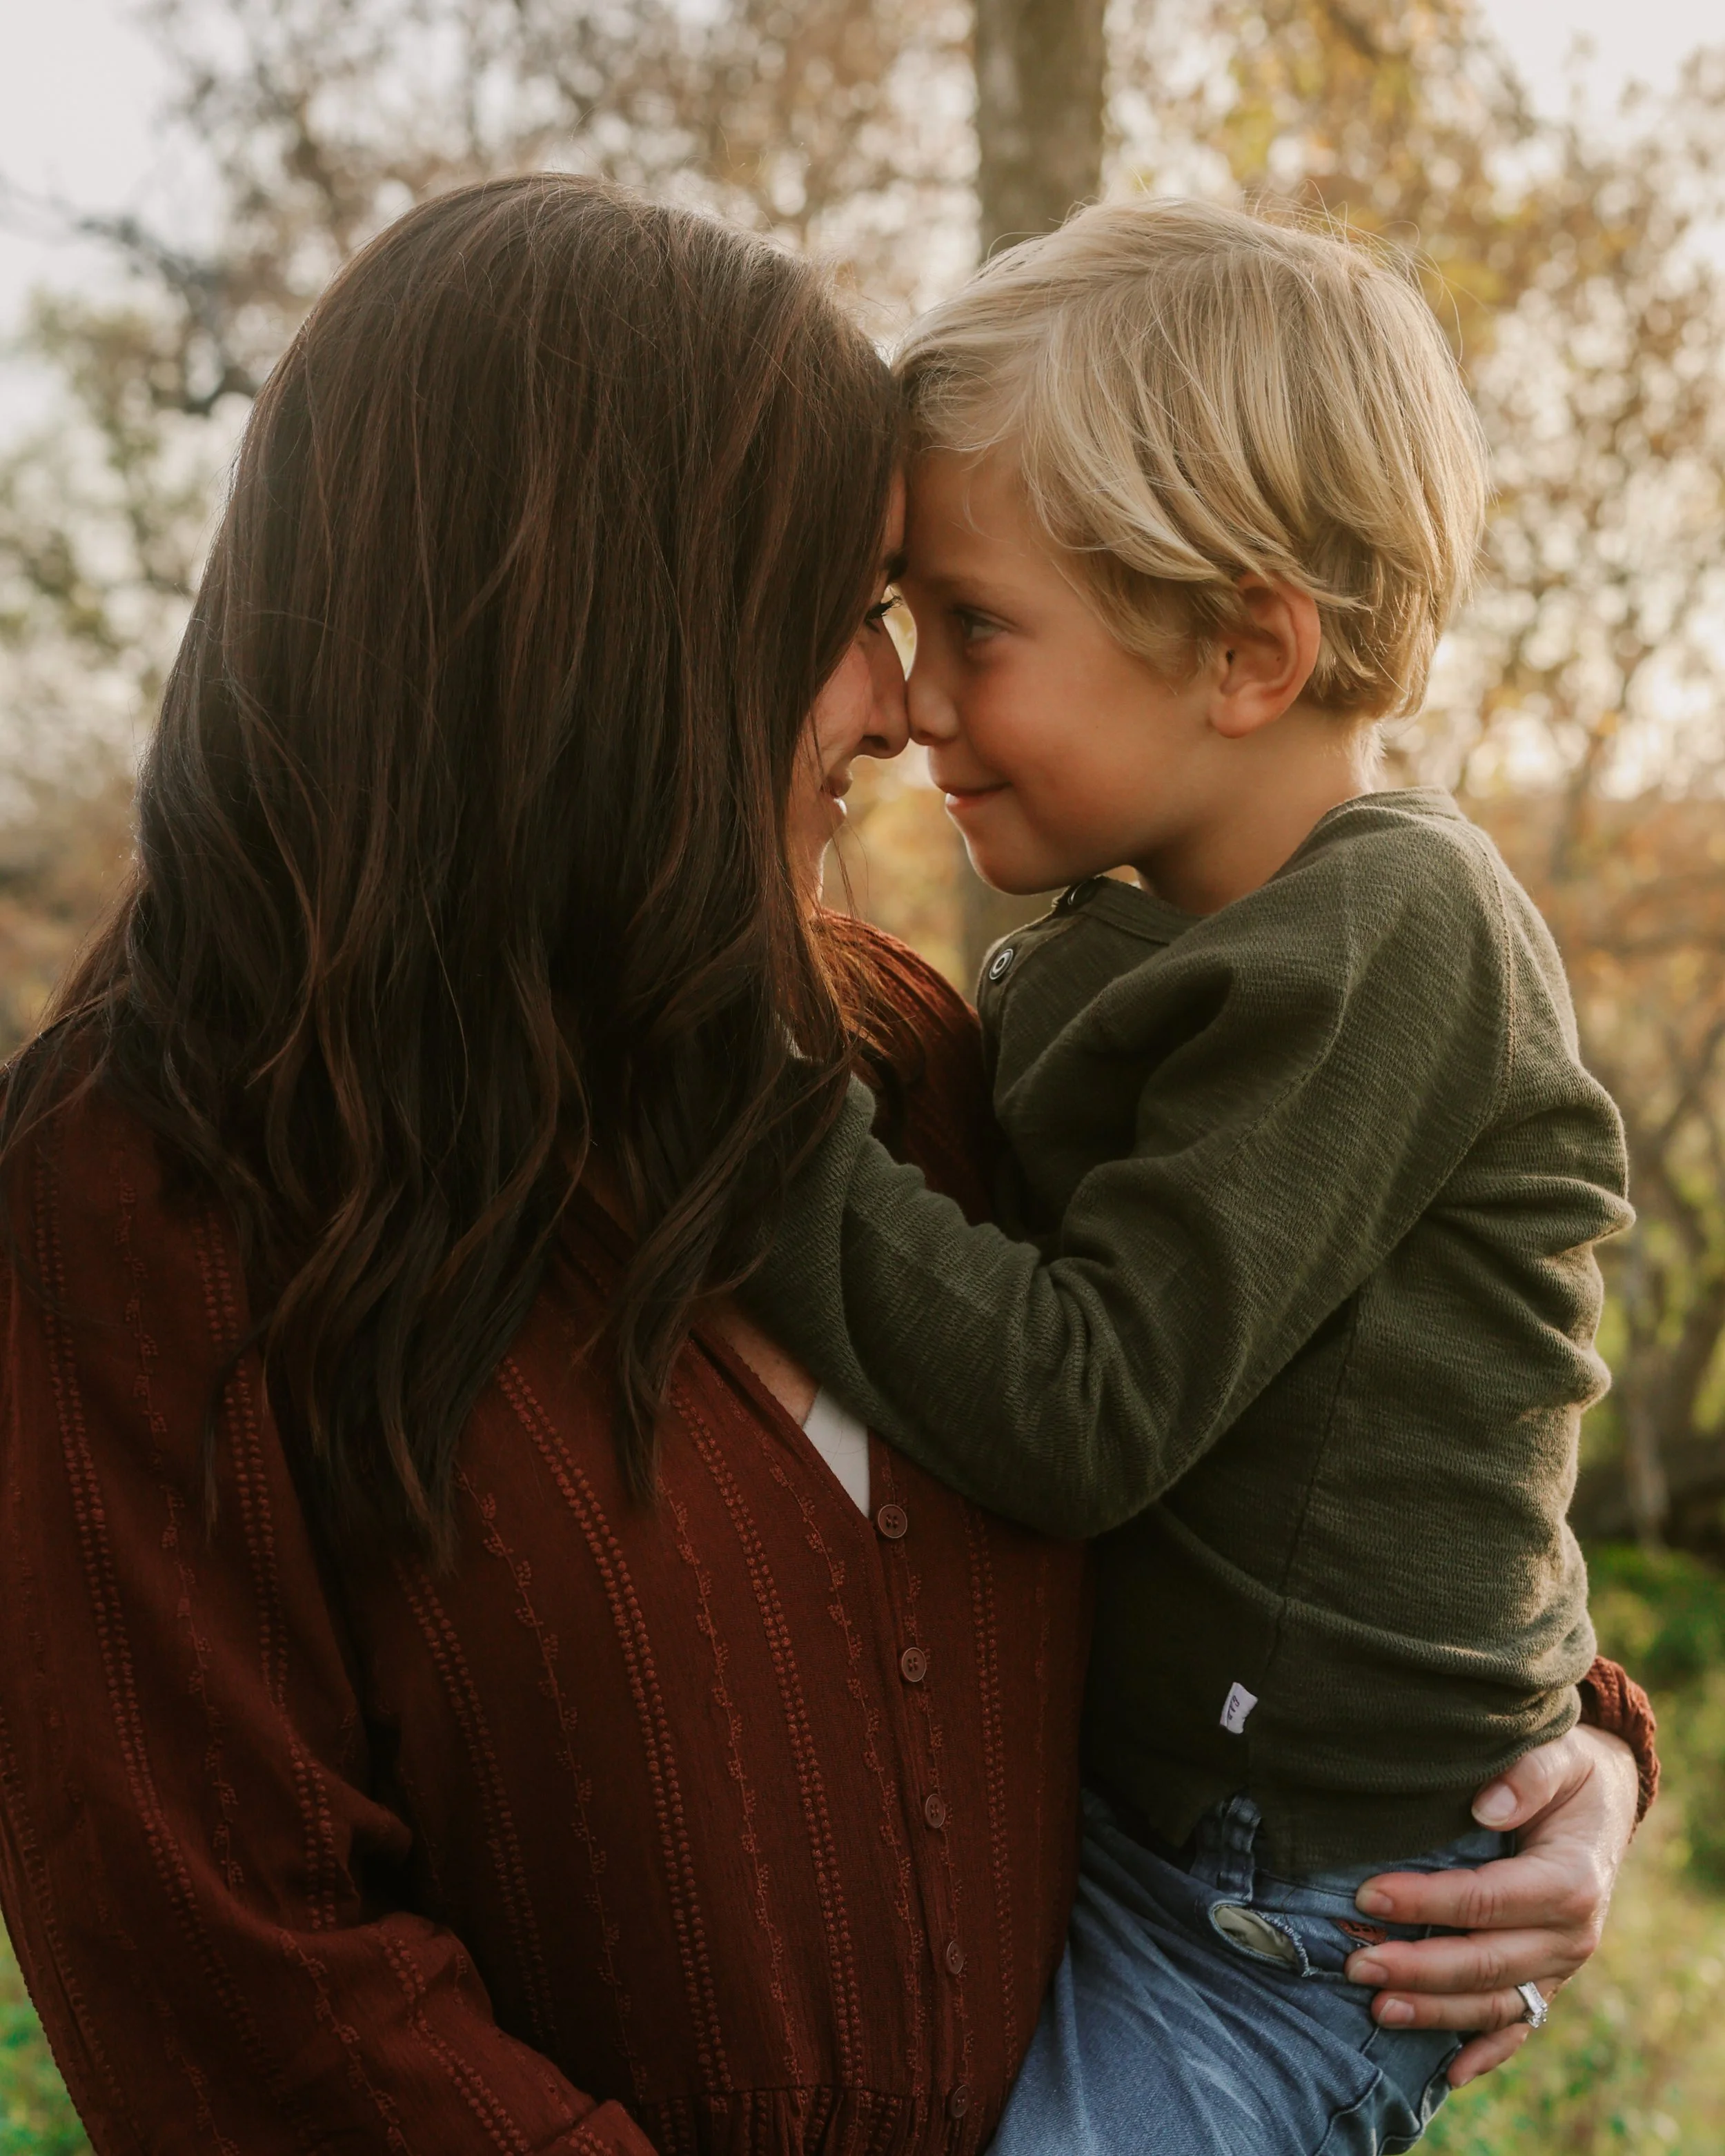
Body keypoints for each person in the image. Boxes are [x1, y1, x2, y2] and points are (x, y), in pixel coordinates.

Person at [0, 177, 1649, 2156]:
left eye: (947, 619)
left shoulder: (889, 1048)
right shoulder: (138, 1200)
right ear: (604, 630)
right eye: (846, 611)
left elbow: (1279, 1419)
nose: (893, 697)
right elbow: (250, 1997)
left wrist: (1573, 1756)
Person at [742, 197, 1647, 2153]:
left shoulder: (1396, 935)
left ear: (1245, 649)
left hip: (1289, 1911)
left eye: (974, 623)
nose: (915, 701)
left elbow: (1078, 1405)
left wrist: (741, 1105)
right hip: (1130, 1821)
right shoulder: (1091, 948)